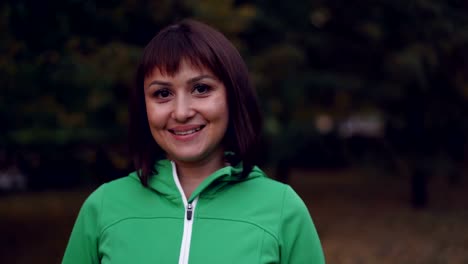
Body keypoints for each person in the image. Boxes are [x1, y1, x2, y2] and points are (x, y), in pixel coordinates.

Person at [62, 19, 325, 264]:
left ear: (232, 96)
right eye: (162, 93)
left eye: (201, 89)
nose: (182, 112)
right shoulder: (104, 206)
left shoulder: (282, 209)